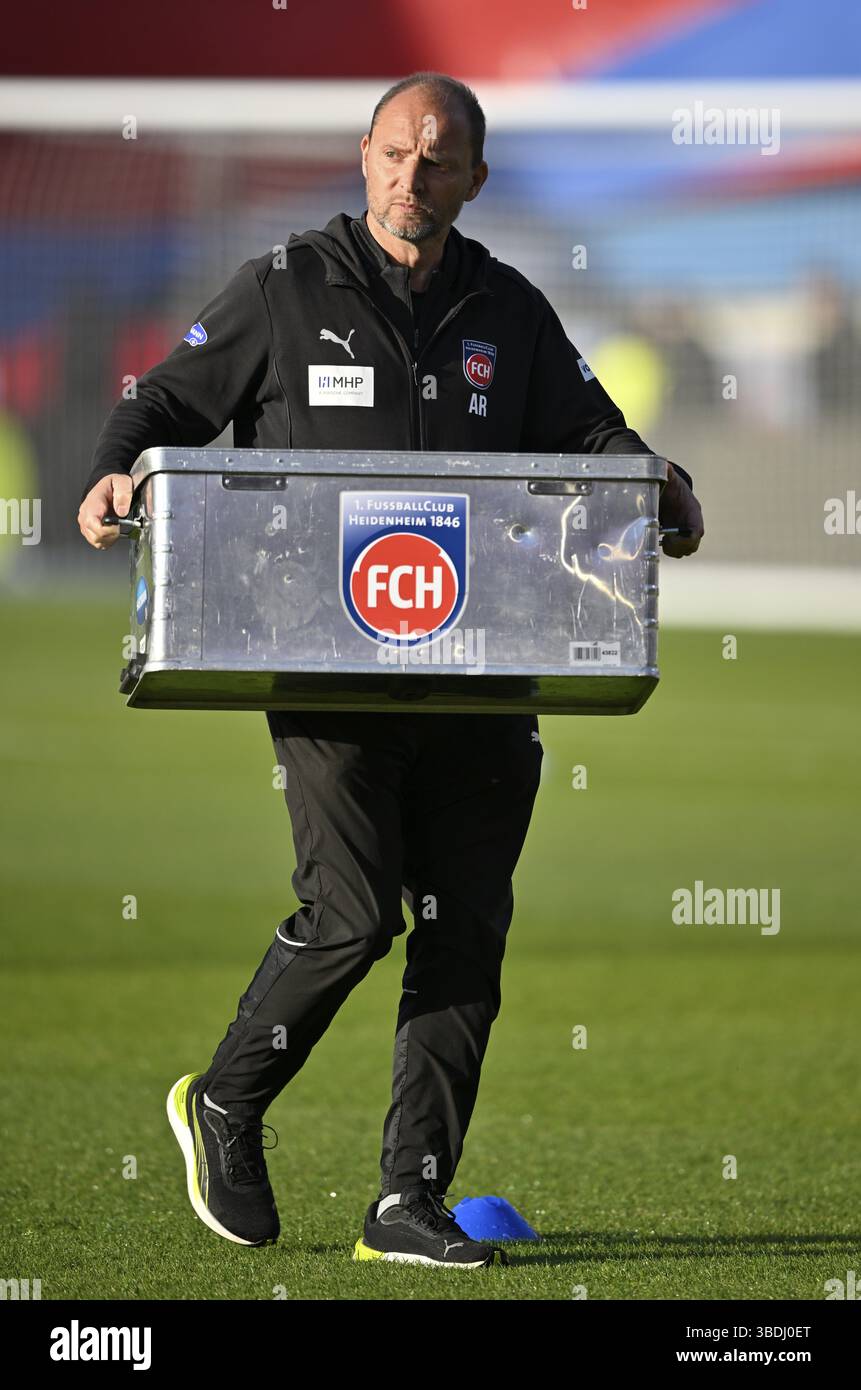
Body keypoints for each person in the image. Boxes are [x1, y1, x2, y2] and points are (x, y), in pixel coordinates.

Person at [77, 71, 704, 1269]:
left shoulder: (510, 309)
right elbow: (163, 399)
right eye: (393, 152)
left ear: (474, 179)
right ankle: (227, 1098)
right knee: (355, 913)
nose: (411, 177)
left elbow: (593, 434)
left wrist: (659, 480)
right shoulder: (284, 286)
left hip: (485, 672)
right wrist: (116, 470)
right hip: (324, 668)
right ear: (365, 158)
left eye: (438, 159)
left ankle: (407, 1200)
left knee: (464, 930)